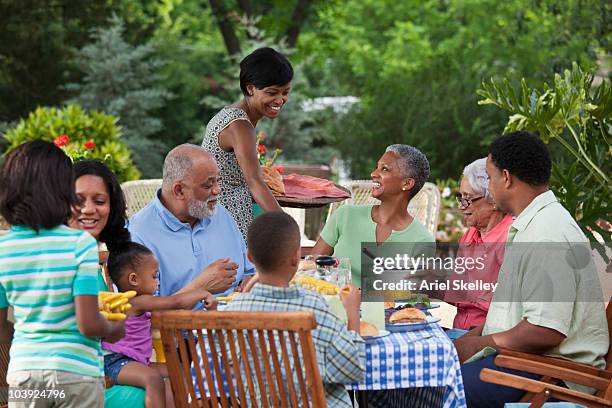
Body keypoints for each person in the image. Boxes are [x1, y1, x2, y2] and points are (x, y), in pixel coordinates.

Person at [455, 132, 608, 407]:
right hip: (525, 360)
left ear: (506, 177)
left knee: (436, 388)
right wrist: (470, 339)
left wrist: (477, 345)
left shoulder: (548, 233)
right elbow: (514, 317)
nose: (489, 186)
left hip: (550, 372)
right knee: (428, 373)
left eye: (489, 178)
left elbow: (544, 331)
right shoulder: (535, 223)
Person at [0, 141, 124, 407]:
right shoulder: (79, 244)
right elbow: (89, 324)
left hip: (24, 374)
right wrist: (115, 327)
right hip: (76, 375)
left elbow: (1, 327)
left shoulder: (3, 249)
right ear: (60, 191)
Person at [225, 212, 365, 407]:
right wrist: (352, 313)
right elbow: (353, 369)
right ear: (295, 257)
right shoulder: (314, 307)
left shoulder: (232, 312)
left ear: (249, 256)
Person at [128, 144, 255, 302]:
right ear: (179, 191)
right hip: (178, 326)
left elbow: (249, 271)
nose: (218, 190)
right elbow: (140, 315)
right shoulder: (138, 234)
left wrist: (248, 282)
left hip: (238, 320)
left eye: (218, 181)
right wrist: (199, 287)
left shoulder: (220, 213)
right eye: (208, 185)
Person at [69, 159, 147, 407]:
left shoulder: (91, 258)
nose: (88, 209)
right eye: (78, 201)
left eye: (99, 201)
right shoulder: (59, 256)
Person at [102, 241, 216, 408]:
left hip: (137, 361)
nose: (157, 282)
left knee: (182, 370)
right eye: (154, 276)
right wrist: (202, 292)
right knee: (152, 379)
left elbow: (170, 311)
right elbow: (175, 302)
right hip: (116, 361)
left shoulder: (141, 304)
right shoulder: (135, 301)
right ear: (134, 279)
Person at [311, 144, 435, 287]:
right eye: (377, 167)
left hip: (385, 309)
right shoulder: (345, 216)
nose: (373, 173)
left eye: (384, 169)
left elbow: (412, 298)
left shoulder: (422, 240)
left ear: (407, 183)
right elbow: (312, 265)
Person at [202, 47, 293, 239]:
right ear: (250, 88)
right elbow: (255, 182)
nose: (280, 99)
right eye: (272, 92)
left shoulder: (233, 115)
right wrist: (287, 227)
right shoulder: (240, 125)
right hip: (227, 222)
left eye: (285, 92)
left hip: (218, 217)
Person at [444, 158, 513, 331]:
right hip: (460, 330)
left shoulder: (511, 237)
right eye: (460, 197)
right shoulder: (471, 233)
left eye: (468, 198)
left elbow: (508, 307)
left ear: (494, 199)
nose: (461, 206)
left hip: (489, 338)